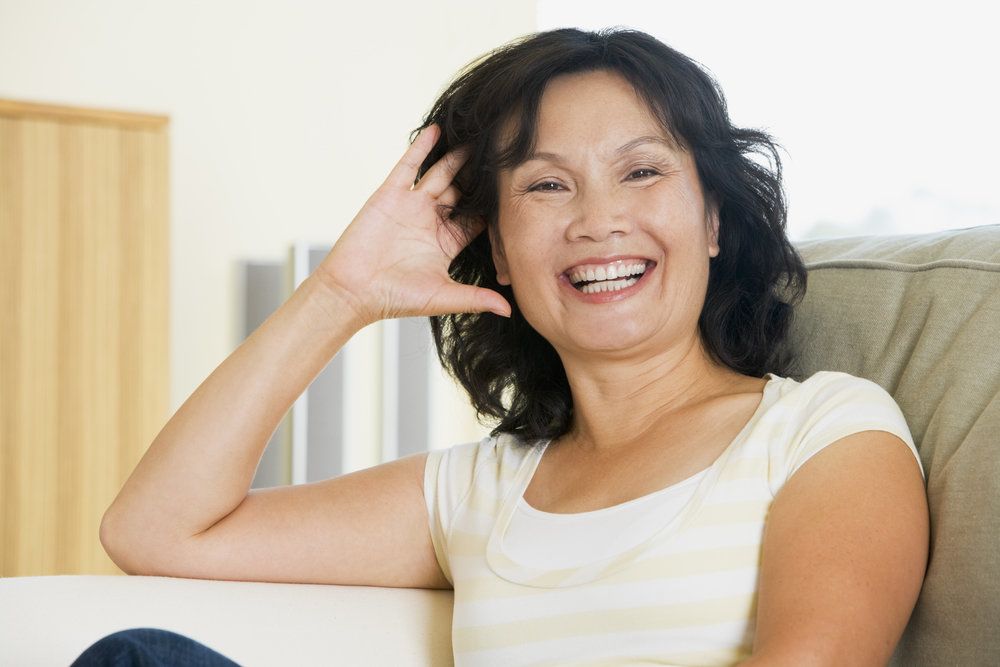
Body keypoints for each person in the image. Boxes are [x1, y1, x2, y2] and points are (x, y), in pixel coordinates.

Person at [89, 27, 929, 667]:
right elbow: (157, 529)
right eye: (546, 184)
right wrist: (341, 293)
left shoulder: (824, 428)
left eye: (641, 172)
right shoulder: (484, 488)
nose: (597, 220)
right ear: (496, 250)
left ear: (713, 219)